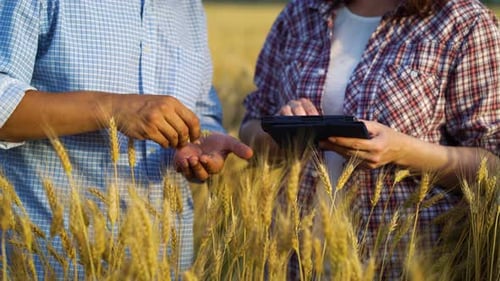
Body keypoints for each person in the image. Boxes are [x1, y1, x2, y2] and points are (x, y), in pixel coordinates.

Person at [239, 0, 499, 279]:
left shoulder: (463, 21)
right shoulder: (301, 14)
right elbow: (250, 127)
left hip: (409, 264)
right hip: (296, 262)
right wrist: (285, 131)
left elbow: (492, 165)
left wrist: (402, 150)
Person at [0, 0, 253, 278]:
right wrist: (111, 109)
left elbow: (203, 109)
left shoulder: (188, 8)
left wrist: (201, 142)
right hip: (55, 262)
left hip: (165, 265)